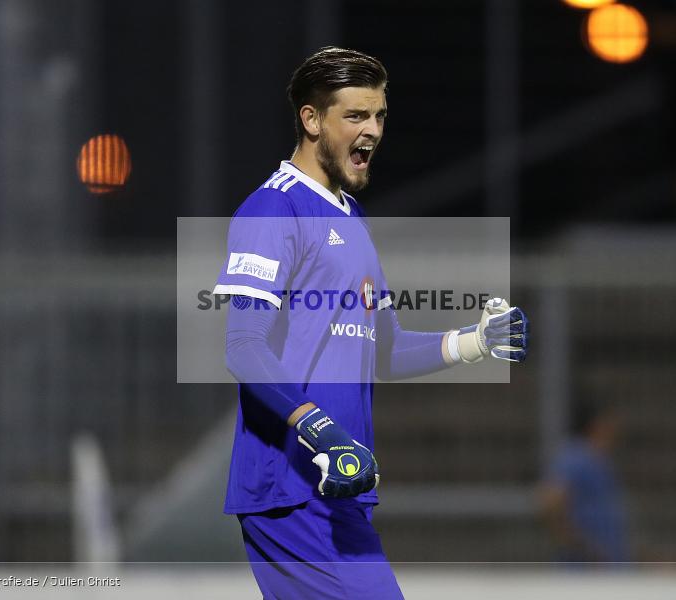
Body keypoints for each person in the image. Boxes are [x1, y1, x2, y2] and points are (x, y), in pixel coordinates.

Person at [212, 47, 529, 599]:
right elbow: (242, 345)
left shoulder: (352, 217)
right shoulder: (274, 209)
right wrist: (322, 432)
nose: (374, 130)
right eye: (356, 115)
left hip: (339, 484)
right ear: (312, 120)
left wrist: (473, 342)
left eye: (379, 115)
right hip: (292, 487)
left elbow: (385, 349)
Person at [540, 399, 630, 564]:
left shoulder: (601, 461)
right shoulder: (575, 457)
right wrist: (585, 549)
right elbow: (551, 504)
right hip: (583, 569)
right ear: (597, 424)